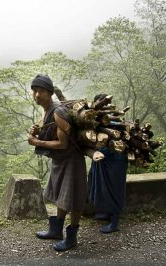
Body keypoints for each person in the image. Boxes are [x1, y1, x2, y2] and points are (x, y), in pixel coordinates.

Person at [27, 74, 88, 252]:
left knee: (74, 199)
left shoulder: (58, 112)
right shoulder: (46, 110)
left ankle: (71, 238)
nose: (37, 95)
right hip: (59, 160)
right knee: (61, 196)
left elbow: (63, 143)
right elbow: (51, 132)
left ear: (50, 93)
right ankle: (56, 230)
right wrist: (37, 131)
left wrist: (36, 142)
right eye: (34, 91)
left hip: (71, 160)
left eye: (41, 91)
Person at [88, 128, 128, 233]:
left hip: (116, 161)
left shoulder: (117, 127)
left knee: (114, 189)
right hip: (102, 159)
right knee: (102, 186)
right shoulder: (99, 122)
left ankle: (114, 222)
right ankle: (106, 212)